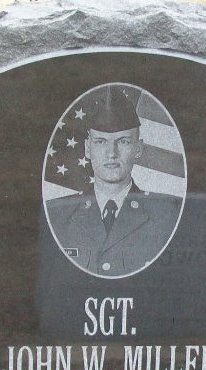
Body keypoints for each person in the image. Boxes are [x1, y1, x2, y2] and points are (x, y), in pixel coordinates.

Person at [46, 87, 182, 277]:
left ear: (138, 149)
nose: (112, 153)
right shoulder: (55, 215)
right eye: (101, 141)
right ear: (87, 148)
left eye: (123, 141)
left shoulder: (169, 215)